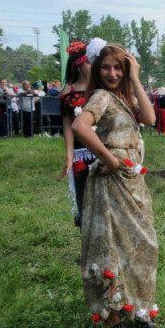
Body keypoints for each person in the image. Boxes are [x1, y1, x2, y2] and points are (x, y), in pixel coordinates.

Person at [71, 41, 160, 328]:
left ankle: (139, 310)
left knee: (143, 245)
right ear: (98, 69)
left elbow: (150, 118)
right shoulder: (101, 96)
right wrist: (108, 158)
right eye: (106, 67)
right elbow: (80, 126)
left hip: (133, 180)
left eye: (118, 67)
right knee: (115, 246)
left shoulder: (122, 97)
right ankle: (114, 317)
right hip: (111, 182)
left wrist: (134, 77)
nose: (112, 73)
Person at [58, 41, 95, 227]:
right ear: (80, 64)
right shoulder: (67, 91)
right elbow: (67, 125)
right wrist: (69, 156)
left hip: (102, 151)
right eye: (91, 62)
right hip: (81, 154)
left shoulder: (101, 90)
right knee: (83, 199)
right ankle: (87, 250)